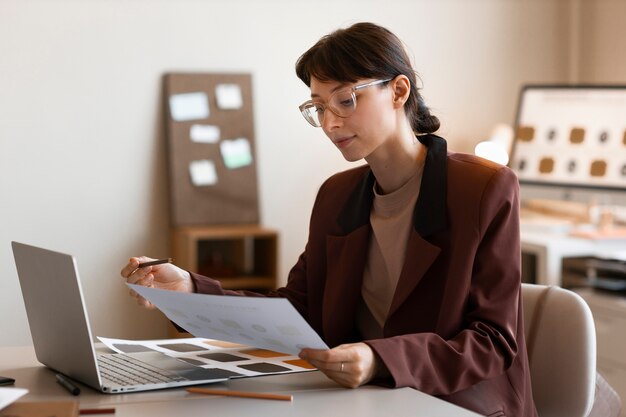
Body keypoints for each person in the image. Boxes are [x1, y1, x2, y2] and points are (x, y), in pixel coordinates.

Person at [121, 22, 537, 416]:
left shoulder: (484, 189)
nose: (330, 122)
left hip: (454, 404)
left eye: (345, 100)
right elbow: (298, 311)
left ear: (398, 90)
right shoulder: (336, 195)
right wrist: (189, 289)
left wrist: (379, 359)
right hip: (362, 403)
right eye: (318, 107)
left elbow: (492, 342)